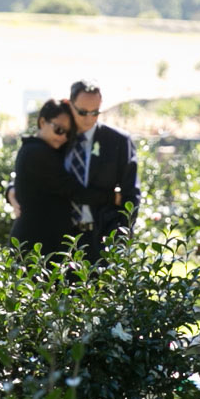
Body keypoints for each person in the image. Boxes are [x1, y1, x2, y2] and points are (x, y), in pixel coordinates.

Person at [10, 99, 114, 254]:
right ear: (42, 122)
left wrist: (10, 190)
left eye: (69, 134)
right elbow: (73, 191)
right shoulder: (36, 152)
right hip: (34, 244)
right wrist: (114, 197)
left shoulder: (45, 150)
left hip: (44, 242)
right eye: (59, 130)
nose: (63, 137)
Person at [64, 79, 139, 262]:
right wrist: (11, 191)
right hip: (60, 238)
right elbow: (31, 169)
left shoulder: (118, 141)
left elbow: (131, 194)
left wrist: (120, 238)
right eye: (83, 112)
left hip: (102, 240)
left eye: (95, 112)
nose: (89, 118)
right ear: (70, 105)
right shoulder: (58, 137)